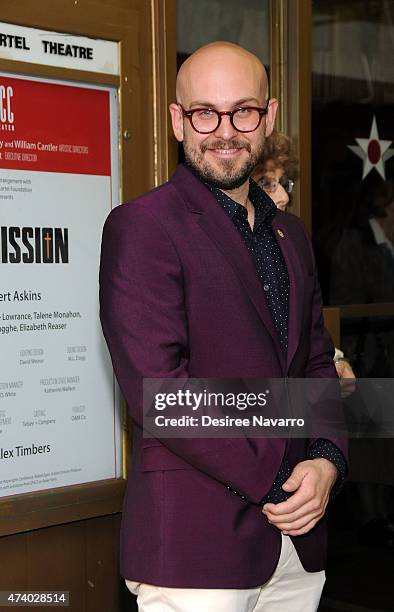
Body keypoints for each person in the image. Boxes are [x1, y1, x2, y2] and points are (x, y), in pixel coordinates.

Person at [99, 42, 348, 612]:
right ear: (176, 121)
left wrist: (327, 460)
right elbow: (161, 394)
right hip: (195, 548)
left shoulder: (292, 234)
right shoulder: (142, 227)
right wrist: (280, 473)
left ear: (270, 115)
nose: (225, 131)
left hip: (296, 547)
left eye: (243, 111)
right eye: (204, 113)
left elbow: (314, 362)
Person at [252, 131, 356, 388]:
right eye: (267, 183)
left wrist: (335, 361)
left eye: (283, 182)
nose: (284, 197)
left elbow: (307, 327)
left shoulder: (291, 241)